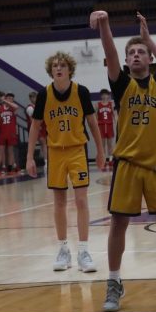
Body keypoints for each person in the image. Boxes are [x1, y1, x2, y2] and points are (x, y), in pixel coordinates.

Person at [90, 10, 156, 311]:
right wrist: (106, 25)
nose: (136, 55)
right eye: (131, 53)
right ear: (126, 62)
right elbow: (110, 54)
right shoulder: (122, 85)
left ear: (149, 59)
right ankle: (113, 283)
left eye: (141, 53)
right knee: (118, 224)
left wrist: (149, 40)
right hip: (127, 165)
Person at [26, 51, 105, 273]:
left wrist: (100, 151)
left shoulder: (81, 92)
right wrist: (30, 156)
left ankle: (83, 250)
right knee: (59, 202)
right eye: (54, 66)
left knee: (81, 201)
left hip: (77, 151)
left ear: (69, 69)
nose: (58, 68)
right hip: (55, 153)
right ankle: (62, 249)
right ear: (51, 71)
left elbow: (92, 122)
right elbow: (35, 126)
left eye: (62, 65)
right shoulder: (44, 94)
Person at [0, 92, 19, 174]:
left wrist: (6, 101)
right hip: (2, 132)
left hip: (11, 132)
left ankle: (10, 168)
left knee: (10, 151)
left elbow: (17, 107)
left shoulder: (13, 108)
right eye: (9, 98)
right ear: (6, 98)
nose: (11, 100)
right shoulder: (0, 108)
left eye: (12, 99)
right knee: (0, 151)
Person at [96, 88, 116, 168]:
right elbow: (95, 117)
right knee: (102, 145)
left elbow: (114, 116)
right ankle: (104, 161)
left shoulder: (111, 104)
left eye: (106, 94)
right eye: (103, 95)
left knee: (110, 145)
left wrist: (116, 124)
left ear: (108, 95)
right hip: (101, 126)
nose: (105, 96)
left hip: (109, 126)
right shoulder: (98, 104)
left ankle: (111, 160)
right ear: (101, 96)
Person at [26, 91, 48, 165]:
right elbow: (32, 119)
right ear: (30, 99)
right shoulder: (30, 108)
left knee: (44, 143)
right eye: (32, 97)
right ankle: (45, 160)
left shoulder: (40, 105)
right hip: (37, 128)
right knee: (42, 142)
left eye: (35, 97)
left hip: (43, 127)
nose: (34, 99)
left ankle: (46, 159)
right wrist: (37, 127)